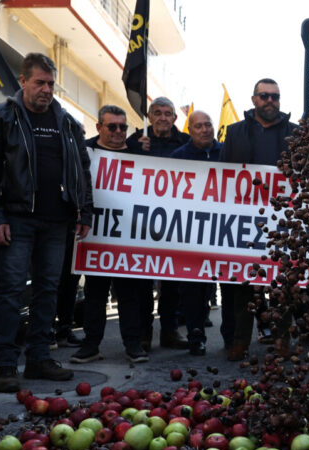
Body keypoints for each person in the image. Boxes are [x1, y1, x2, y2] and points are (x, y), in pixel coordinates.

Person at [0, 53, 93, 392]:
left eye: (51, 84)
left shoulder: (68, 121)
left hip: (57, 222)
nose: (46, 89)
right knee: (11, 291)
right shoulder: (2, 116)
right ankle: (6, 365)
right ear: (23, 81)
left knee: (48, 290)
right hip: (16, 219)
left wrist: (85, 211)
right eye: (39, 82)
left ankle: (39, 358)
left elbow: (82, 170)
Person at [220, 78, 298, 361]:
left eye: (275, 96)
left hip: (284, 220)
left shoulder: (295, 133)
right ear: (254, 100)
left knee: (283, 285)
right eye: (264, 96)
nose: (270, 101)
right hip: (244, 221)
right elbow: (224, 173)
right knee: (244, 284)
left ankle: (281, 340)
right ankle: (240, 340)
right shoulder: (235, 132)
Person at [70, 105, 153, 364]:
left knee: (128, 294)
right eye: (112, 126)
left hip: (127, 237)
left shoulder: (139, 153)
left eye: (123, 127)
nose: (119, 132)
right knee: (95, 293)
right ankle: (91, 345)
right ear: (99, 128)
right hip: (94, 234)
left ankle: (133, 344)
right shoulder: (84, 151)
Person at [128, 96, 191, 351]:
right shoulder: (135, 141)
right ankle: (144, 332)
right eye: (158, 113)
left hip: (176, 222)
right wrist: (135, 150)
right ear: (150, 117)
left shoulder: (186, 142)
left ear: (175, 118)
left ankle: (170, 331)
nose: (163, 117)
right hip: (143, 222)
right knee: (143, 282)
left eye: (168, 113)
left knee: (172, 282)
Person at [167, 110, 225, 356]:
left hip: (225, 231)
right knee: (194, 290)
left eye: (208, 124)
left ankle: (231, 338)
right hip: (192, 234)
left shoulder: (228, 153)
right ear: (189, 130)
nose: (204, 130)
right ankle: (196, 335)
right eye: (198, 126)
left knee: (229, 287)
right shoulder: (178, 157)